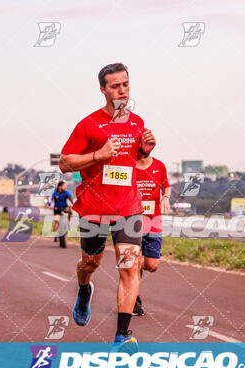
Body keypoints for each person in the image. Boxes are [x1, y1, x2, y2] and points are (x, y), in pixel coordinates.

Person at [59, 63, 156, 348]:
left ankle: (121, 335)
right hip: (94, 208)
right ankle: (83, 288)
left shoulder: (137, 122)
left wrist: (144, 151)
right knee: (91, 264)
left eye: (125, 84)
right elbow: (65, 162)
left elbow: (132, 162)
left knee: (129, 266)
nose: (122, 90)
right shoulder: (88, 124)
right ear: (103, 89)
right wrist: (98, 155)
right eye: (115, 86)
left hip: (128, 207)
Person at [133, 155, 171, 316]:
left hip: (154, 221)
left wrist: (165, 197)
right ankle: (133, 298)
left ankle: (130, 268)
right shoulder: (129, 165)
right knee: (135, 261)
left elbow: (166, 186)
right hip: (132, 222)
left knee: (152, 265)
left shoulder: (159, 165)